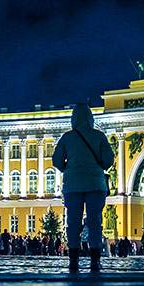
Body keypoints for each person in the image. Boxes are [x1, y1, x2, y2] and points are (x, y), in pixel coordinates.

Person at [52, 103, 114, 273]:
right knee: (95, 222)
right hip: (95, 184)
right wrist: (96, 166)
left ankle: (73, 260)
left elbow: (56, 161)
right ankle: (95, 261)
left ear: (74, 119)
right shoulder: (99, 136)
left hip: (73, 185)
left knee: (73, 222)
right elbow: (109, 160)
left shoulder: (67, 137)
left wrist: (69, 169)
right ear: (90, 118)